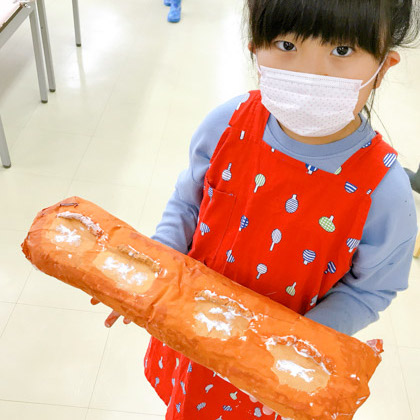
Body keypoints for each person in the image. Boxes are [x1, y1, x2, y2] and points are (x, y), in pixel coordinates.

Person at [93, 0, 420, 418]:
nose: (311, 72)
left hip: (273, 373)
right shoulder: (227, 125)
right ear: (255, 49)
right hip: (192, 334)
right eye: (287, 45)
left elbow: (370, 289)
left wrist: (296, 340)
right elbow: (189, 203)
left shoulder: (384, 190)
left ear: (382, 68)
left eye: (342, 50)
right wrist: (154, 271)